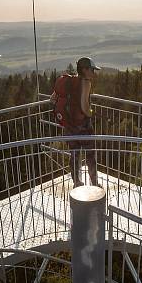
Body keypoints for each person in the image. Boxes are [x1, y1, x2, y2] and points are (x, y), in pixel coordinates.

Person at [50, 56, 101, 187]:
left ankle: (76, 182)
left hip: (69, 125)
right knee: (90, 154)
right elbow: (84, 107)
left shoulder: (68, 81)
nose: (93, 73)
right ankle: (94, 183)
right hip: (82, 125)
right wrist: (91, 113)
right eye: (92, 70)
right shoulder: (86, 83)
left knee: (74, 154)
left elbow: (53, 98)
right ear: (84, 70)